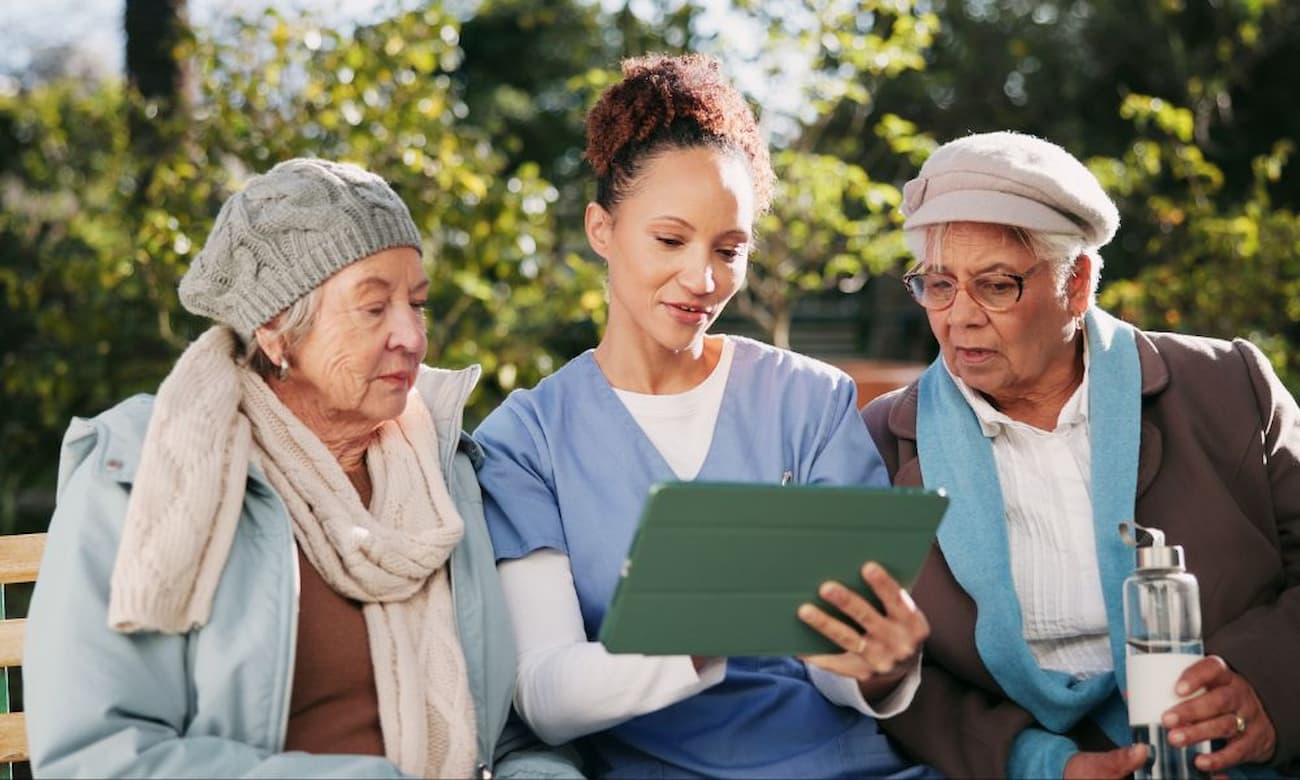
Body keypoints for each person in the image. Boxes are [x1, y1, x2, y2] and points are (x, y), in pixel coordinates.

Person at [23, 158, 580, 779]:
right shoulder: (143, 471)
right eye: (374, 308)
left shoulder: (448, 474)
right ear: (275, 333)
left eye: (417, 304)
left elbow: (507, 738)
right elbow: (97, 757)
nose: (413, 337)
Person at [472, 53, 936, 779]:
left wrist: (881, 666)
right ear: (602, 229)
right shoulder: (525, 440)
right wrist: (697, 628)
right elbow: (544, 694)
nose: (703, 279)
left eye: (730, 249)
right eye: (670, 240)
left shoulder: (811, 401)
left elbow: (837, 664)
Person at [861, 130, 1299, 779]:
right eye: (938, 284)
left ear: (1078, 283)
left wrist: (1269, 687)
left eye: (996, 285)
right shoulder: (882, 441)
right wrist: (1034, 763)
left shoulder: (1228, 385)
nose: (959, 317)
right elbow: (896, 677)